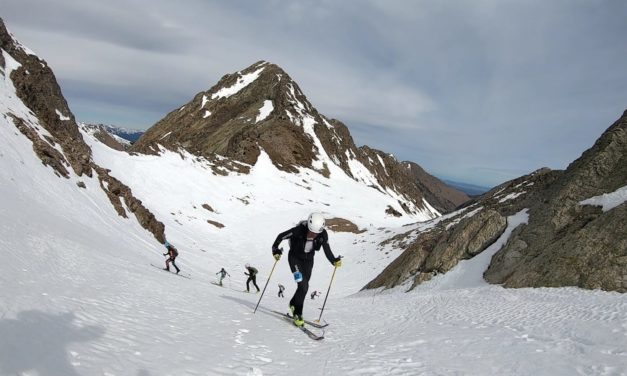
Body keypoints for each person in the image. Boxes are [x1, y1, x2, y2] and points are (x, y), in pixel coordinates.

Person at [271, 212, 342, 327]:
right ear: (308, 227)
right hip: (294, 259)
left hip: (309, 260)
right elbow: (280, 236)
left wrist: (334, 260)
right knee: (303, 286)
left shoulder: (322, 234)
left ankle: (293, 303)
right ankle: (298, 313)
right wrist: (275, 250)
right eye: (311, 232)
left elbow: (327, 249)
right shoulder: (298, 230)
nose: (313, 235)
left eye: (316, 233)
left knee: (303, 287)